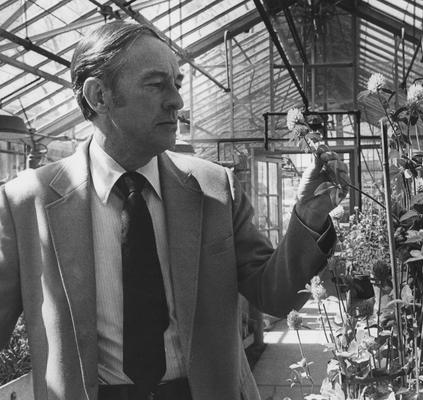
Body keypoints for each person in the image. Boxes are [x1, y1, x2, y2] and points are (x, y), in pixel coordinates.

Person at [0, 21, 346, 400]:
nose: (177, 101)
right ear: (99, 95)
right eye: (156, 84)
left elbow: (274, 295)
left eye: (177, 83)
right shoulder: (26, 203)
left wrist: (308, 217)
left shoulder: (215, 188)